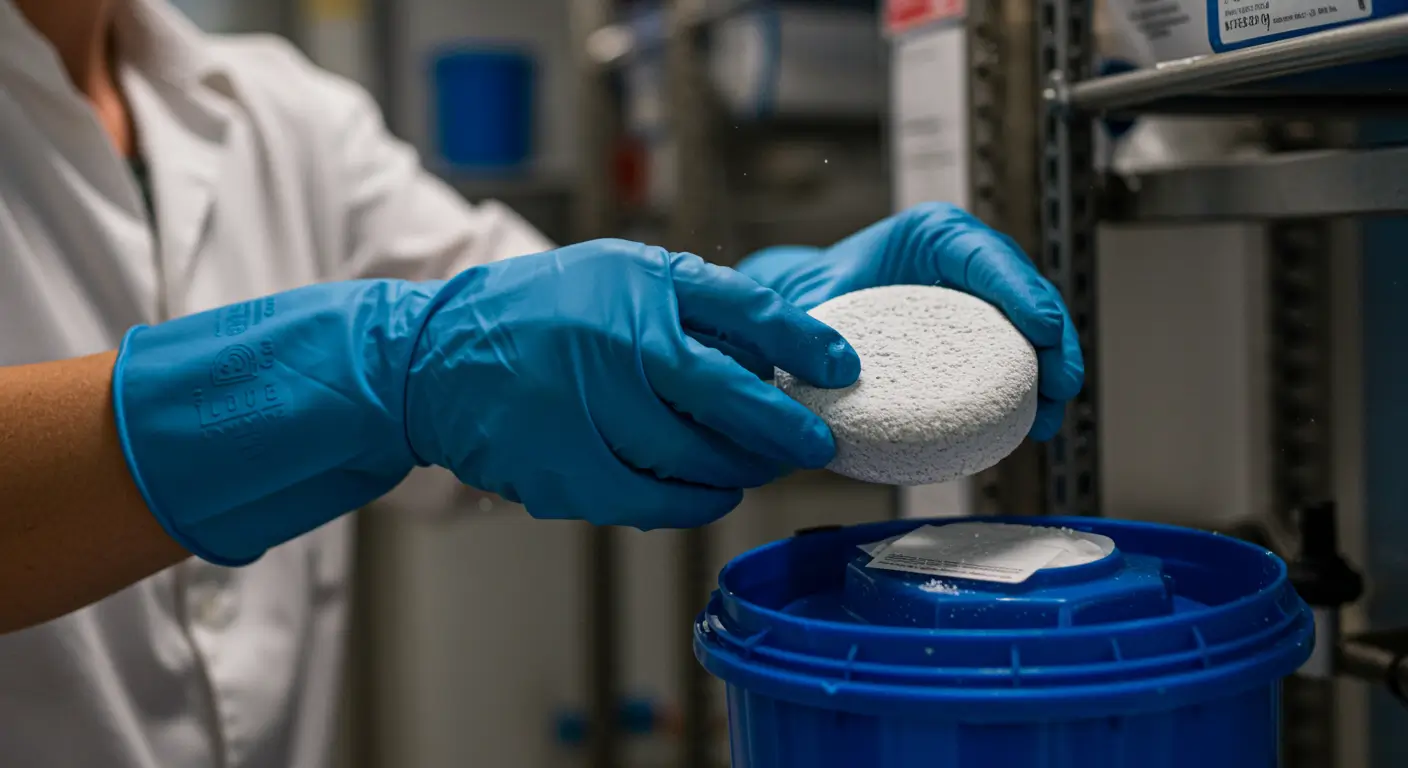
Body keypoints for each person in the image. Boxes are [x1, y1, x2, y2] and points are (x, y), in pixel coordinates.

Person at [0, 0, 1085, 764]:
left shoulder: (280, 110)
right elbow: (450, 345)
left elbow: (535, 325)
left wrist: (769, 313)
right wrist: (379, 369)